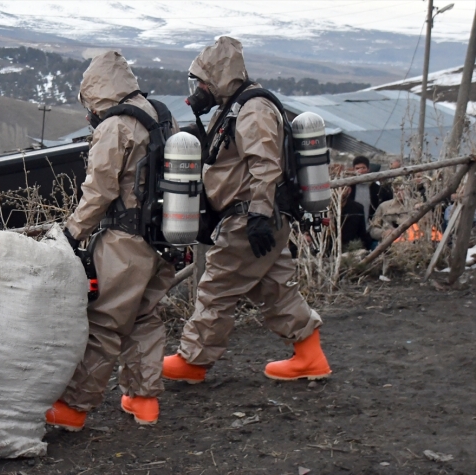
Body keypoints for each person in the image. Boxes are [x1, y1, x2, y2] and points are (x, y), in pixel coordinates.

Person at [162, 36, 331, 384]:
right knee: (275, 287)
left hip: (248, 215)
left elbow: (265, 166)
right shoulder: (236, 106)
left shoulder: (253, 109)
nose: (199, 89)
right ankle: (310, 356)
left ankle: (192, 361)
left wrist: (256, 215)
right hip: (256, 214)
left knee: (216, 288)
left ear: (219, 79)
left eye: (203, 81)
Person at [45, 51, 177, 430]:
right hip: (166, 237)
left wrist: (71, 234)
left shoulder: (115, 126)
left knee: (103, 322)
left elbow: (99, 191)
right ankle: (143, 400)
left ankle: (72, 407)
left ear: (95, 93)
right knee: (145, 317)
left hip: (125, 242)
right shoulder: (160, 115)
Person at [347, 155, 392, 228]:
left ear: (368, 169)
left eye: (363, 168)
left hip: (373, 228)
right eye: (357, 168)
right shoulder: (349, 189)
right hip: (353, 229)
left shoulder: (377, 189)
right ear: (353, 170)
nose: (360, 171)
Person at [340, 186, 371, 251]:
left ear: (349, 190)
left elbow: (362, 232)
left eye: (343, 188)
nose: (340, 191)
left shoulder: (357, 208)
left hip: (351, 248)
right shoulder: (327, 209)